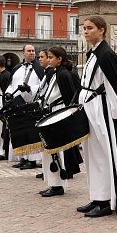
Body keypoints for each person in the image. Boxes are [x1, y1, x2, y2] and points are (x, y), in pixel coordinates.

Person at [75, 15, 117, 218]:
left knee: (105, 154)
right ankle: (97, 196)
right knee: (92, 155)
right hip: (90, 108)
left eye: (90, 28)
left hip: (102, 110)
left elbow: (114, 86)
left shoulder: (107, 54)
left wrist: (115, 115)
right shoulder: (93, 53)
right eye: (84, 28)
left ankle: (108, 200)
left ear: (101, 30)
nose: (85, 31)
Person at [38, 46, 82, 197]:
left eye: (51, 57)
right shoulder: (56, 73)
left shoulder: (63, 74)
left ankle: (58, 185)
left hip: (59, 113)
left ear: (59, 59)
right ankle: (53, 183)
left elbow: (70, 96)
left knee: (58, 151)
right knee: (51, 151)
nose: (49, 60)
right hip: (53, 111)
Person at [7, 45, 44, 167]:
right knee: (21, 131)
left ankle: (33, 160)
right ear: (23, 53)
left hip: (31, 104)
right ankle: (23, 157)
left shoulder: (39, 69)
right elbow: (11, 84)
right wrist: (8, 92)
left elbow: (43, 86)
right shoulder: (17, 68)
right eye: (29, 51)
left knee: (31, 132)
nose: (32, 53)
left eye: (33, 51)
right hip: (18, 104)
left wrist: (29, 89)